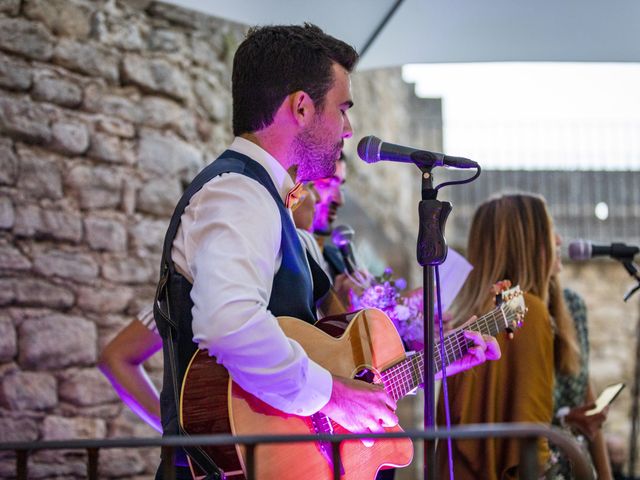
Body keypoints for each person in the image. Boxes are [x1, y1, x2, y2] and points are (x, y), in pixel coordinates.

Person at [109, 24, 501, 479]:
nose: (349, 130)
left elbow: (329, 367)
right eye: (342, 109)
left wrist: (435, 361)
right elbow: (230, 323)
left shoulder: (264, 200)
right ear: (300, 106)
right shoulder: (238, 193)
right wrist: (335, 396)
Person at [436, 193, 563, 480]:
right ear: (533, 244)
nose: (559, 242)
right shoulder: (526, 311)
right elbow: (531, 437)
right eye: (549, 231)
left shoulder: (463, 315)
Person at [550, 235, 613, 480]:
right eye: (548, 232)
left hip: (576, 463)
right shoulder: (513, 315)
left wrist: (606, 476)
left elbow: (585, 388)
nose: (559, 239)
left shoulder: (572, 305)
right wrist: (565, 420)